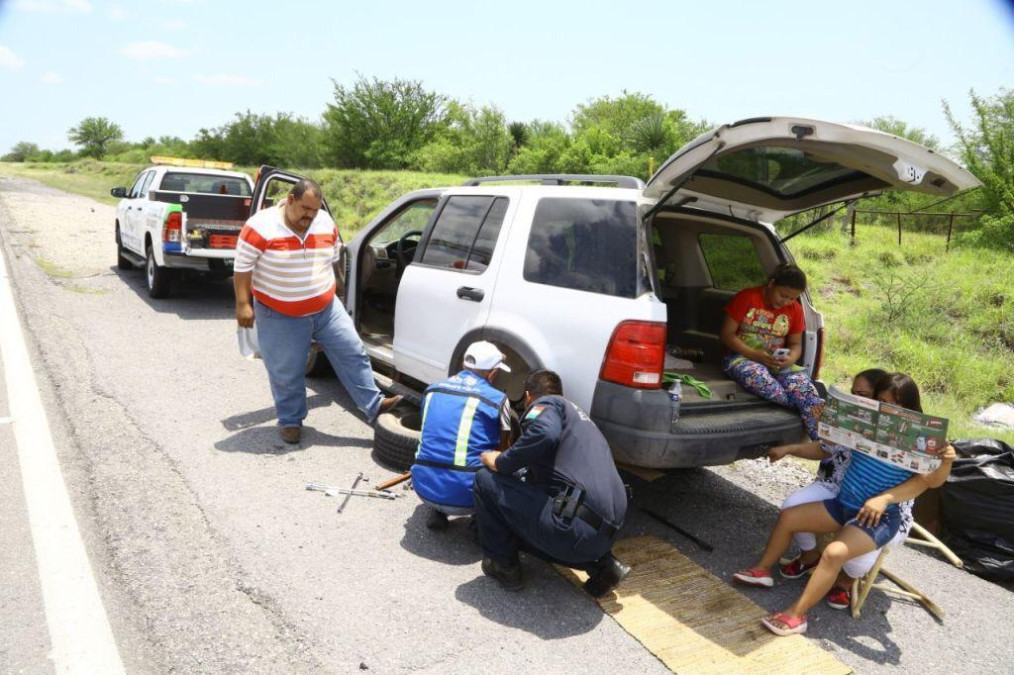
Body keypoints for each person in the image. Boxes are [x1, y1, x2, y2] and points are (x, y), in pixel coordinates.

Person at [732, 373, 956, 636]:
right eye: (884, 402)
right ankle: (762, 570)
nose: (891, 410)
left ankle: (796, 616)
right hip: (844, 503)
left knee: (834, 554)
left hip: (878, 517)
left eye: (898, 405)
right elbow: (828, 447)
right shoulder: (866, 425)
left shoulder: (921, 440)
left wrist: (947, 462)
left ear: (911, 407)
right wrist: (818, 426)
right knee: (789, 517)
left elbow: (930, 482)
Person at [234, 178, 401, 444]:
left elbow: (333, 260)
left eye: (315, 210)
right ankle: (290, 421)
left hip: (325, 307)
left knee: (353, 352)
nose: (310, 216)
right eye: (305, 209)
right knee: (287, 372)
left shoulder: (324, 222)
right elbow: (242, 268)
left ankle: (374, 405)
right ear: (290, 200)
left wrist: (340, 291)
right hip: (279, 312)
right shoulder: (260, 226)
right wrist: (242, 304)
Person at [473, 370, 629, 596]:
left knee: (484, 479)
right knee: (534, 503)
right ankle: (603, 567)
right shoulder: (580, 419)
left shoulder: (547, 405)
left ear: (528, 396)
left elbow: (545, 433)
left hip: (575, 530)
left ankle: (503, 566)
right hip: (605, 533)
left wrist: (500, 461)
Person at [773, 368, 914, 610]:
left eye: (864, 395)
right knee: (791, 507)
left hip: (884, 506)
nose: (858, 400)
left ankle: (846, 581)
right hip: (839, 488)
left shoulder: (904, 433)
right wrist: (821, 428)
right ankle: (808, 557)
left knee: (858, 558)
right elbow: (826, 449)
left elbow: (925, 481)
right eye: (853, 394)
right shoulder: (857, 423)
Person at [412, 341, 516, 531]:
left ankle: (437, 510)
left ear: (464, 365)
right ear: (492, 373)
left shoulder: (432, 390)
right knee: (500, 462)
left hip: (423, 487)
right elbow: (504, 449)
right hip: (466, 498)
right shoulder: (497, 399)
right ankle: (479, 521)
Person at [720, 263, 824, 440]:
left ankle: (825, 447)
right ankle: (803, 406)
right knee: (764, 381)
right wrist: (755, 355)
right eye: (783, 295)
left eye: (793, 298)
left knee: (806, 389)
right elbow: (727, 335)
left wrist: (790, 358)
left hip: (777, 363)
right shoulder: (747, 297)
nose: (786, 302)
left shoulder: (795, 310)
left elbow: (795, 344)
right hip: (741, 359)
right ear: (771, 283)